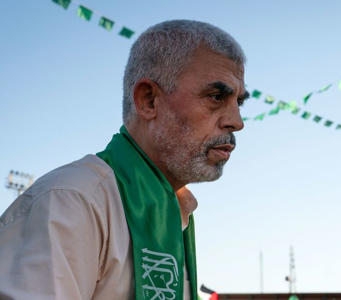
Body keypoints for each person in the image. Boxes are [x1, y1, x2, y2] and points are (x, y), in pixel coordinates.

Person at [0, 20, 248, 299]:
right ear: (148, 100)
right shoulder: (72, 201)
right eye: (216, 96)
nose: (236, 122)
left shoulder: (176, 211)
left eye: (239, 102)